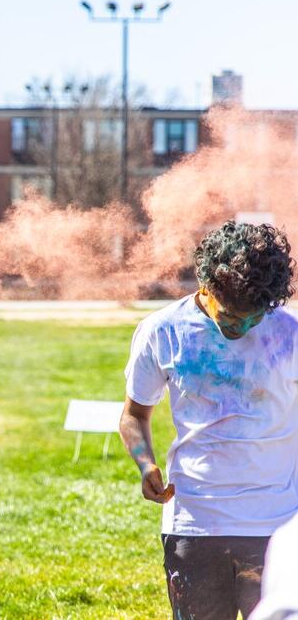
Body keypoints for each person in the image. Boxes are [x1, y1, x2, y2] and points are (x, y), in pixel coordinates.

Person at [119, 220, 298, 620]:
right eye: (233, 318)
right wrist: (145, 463)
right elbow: (133, 415)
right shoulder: (162, 330)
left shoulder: (291, 333)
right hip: (194, 525)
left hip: (277, 526)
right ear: (207, 285)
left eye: (255, 318)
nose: (245, 328)